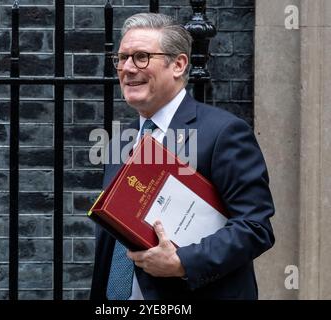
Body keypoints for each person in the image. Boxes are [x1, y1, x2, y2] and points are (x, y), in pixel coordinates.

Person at [90, 13, 275, 300]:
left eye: (141, 57)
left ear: (178, 64)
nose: (127, 68)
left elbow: (255, 227)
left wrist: (183, 263)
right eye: (122, 58)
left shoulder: (223, 132)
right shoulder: (123, 139)